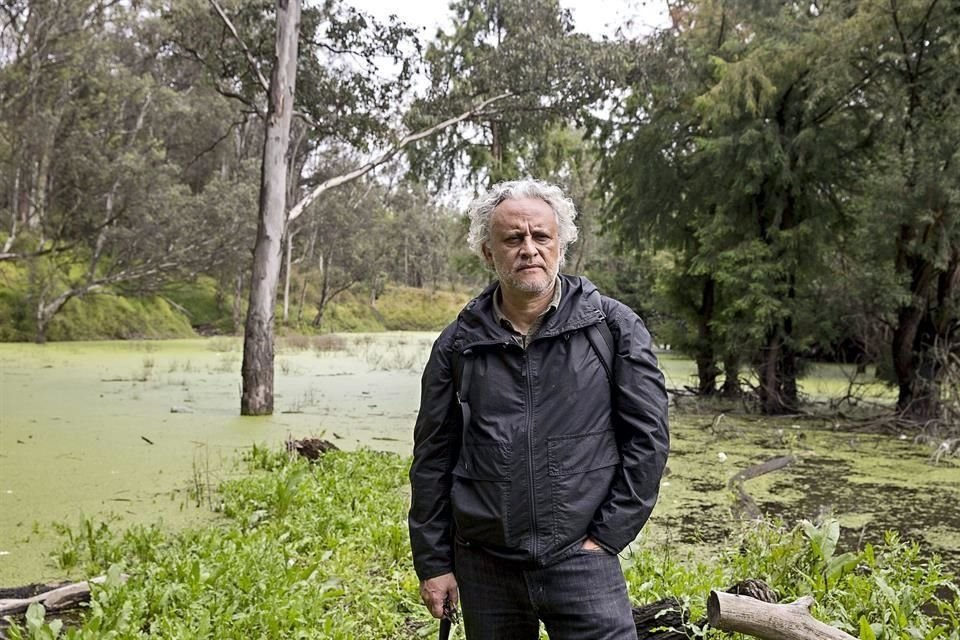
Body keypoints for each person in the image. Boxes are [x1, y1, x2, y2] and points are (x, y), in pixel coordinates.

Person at [408, 178, 669, 639]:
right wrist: (434, 563)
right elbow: (432, 460)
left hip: (581, 559)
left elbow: (647, 442)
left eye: (541, 236)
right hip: (484, 566)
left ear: (560, 246)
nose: (529, 248)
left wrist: (606, 537)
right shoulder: (458, 344)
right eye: (513, 238)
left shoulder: (613, 327)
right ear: (489, 253)